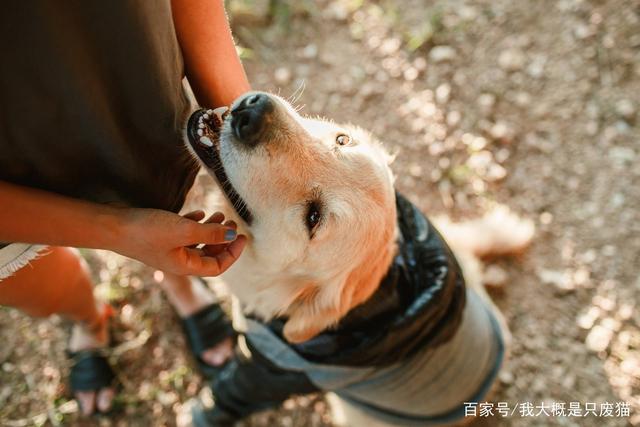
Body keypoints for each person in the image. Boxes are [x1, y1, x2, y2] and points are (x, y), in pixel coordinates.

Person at [0, 0, 249, 416]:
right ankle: (89, 319)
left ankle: (179, 280)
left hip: (112, 77)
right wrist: (117, 230)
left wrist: (242, 130)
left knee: (163, 200)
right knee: (41, 293)